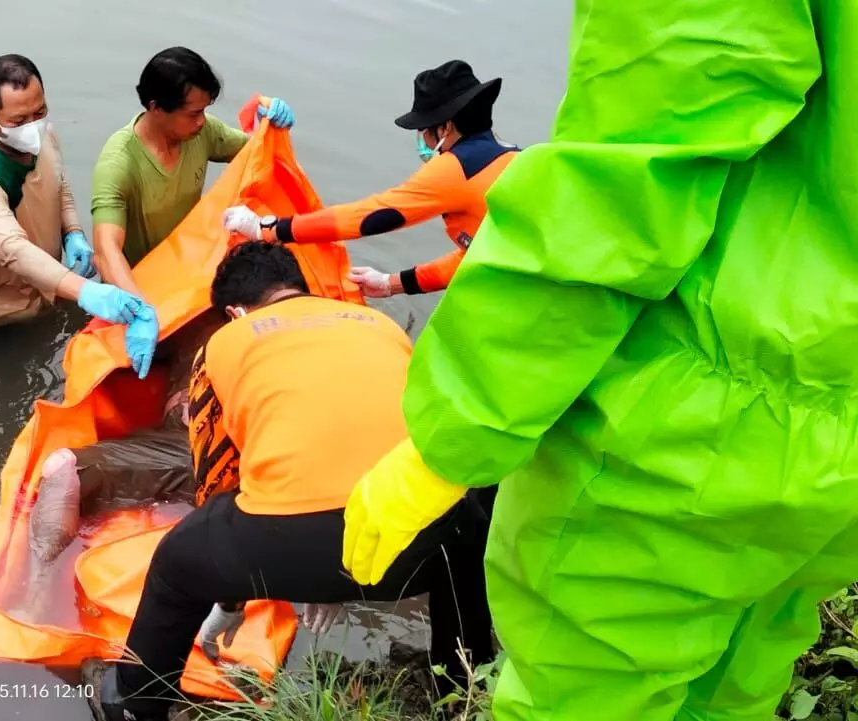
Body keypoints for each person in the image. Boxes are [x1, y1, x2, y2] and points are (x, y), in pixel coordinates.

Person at [339, 2, 857, 720]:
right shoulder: (499, 163)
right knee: (739, 669)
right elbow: (466, 260)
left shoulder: (451, 175)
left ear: (441, 129)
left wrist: (453, 432)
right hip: (835, 437)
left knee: (584, 689)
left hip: (698, 435)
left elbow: (606, 207)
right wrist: (393, 284)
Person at [81, 241, 495, 721]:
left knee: (177, 563)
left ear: (235, 311)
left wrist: (233, 600)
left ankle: (134, 703)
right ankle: (463, 689)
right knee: (467, 529)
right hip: (414, 540)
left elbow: (217, 477)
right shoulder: (380, 325)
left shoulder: (224, 343)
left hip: (293, 546)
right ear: (298, 288)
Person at [222, 60, 517, 298]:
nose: (422, 139)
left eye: (424, 130)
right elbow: (476, 258)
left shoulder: (457, 168)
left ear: (446, 127)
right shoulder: (514, 158)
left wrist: (267, 229)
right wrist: (393, 283)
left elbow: (369, 216)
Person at [89, 47, 297, 376]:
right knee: (207, 343)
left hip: (189, 273)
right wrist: (141, 310)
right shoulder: (119, 163)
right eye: (192, 113)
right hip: (142, 288)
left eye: (204, 111)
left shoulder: (201, 133)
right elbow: (105, 249)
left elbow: (255, 156)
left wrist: (267, 125)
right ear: (156, 108)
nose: (201, 121)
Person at [0, 54, 150, 331]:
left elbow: (59, 183)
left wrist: (72, 232)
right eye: (18, 120)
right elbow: (14, 250)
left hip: (44, 286)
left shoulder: (42, 133)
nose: (33, 126)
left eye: (39, 112)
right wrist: (86, 291)